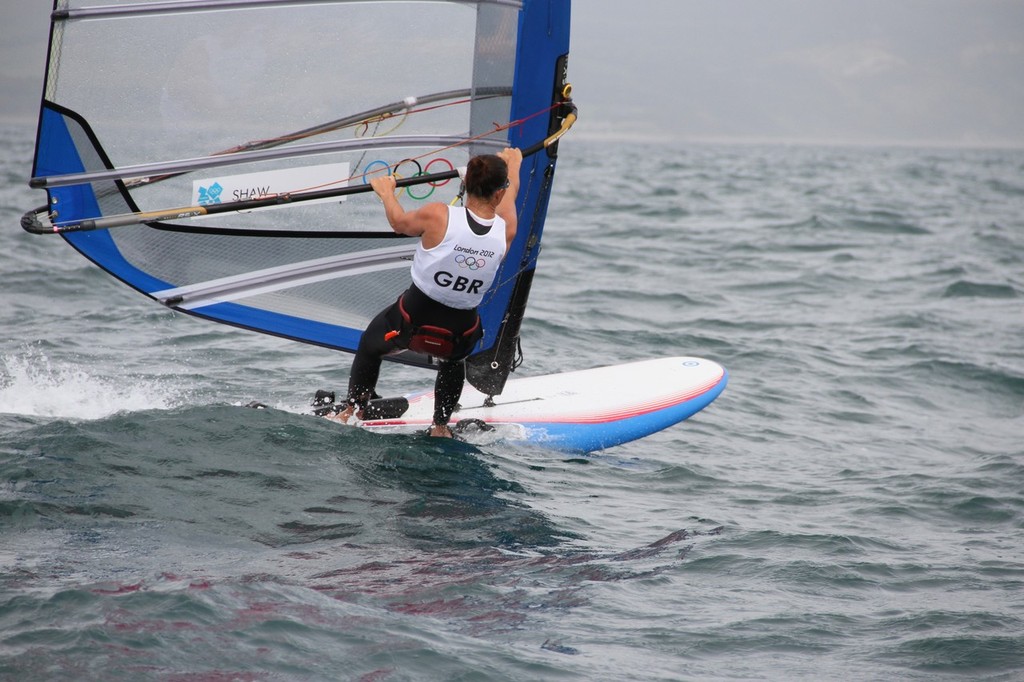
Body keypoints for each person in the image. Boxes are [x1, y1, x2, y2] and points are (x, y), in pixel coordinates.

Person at [330, 147, 522, 438]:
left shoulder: (436, 215)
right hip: (460, 334)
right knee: (454, 361)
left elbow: (398, 223)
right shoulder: (506, 228)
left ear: (465, 184)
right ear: (499, 193)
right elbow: (512, 193)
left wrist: (386, 192)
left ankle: (352, 409)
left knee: (371, 344)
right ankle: (440, 425)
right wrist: (515, 164)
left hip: (410, 322)